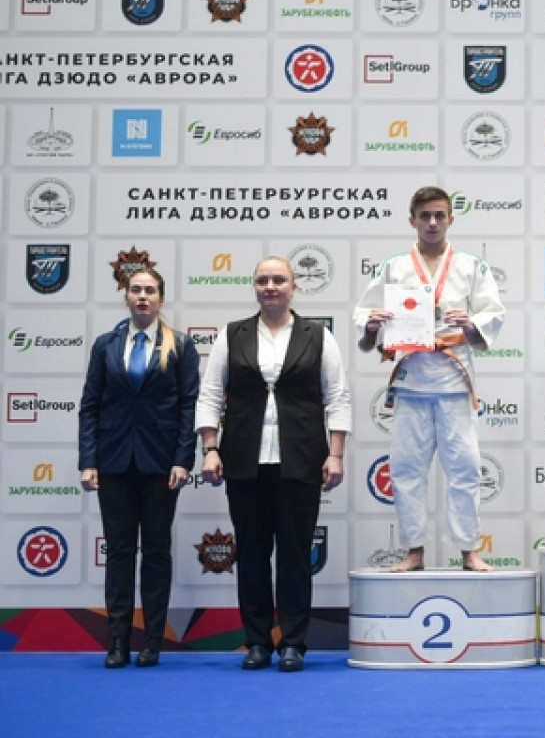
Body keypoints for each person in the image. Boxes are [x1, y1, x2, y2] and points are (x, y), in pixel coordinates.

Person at [195, 256, 351, 672]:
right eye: (263, 280)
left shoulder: (318, 336)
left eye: (279, 280)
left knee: (296, 557)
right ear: (254, 286)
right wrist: (210, 447)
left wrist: (335, 454)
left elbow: (337, 397)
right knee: (251, 555)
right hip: (244, 461)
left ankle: (294, 643)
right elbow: (210, 394)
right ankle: (258, 643)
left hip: (301, 461)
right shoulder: (233, 335)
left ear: (293, 286)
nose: (270, 286)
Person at [354, 185, 505, 573]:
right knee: (406, 470)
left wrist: (471, 323)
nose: (433, 222)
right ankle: (414, 550)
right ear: (413, 220)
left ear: (451, 219)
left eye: (440, 215)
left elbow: (493, 313)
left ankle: (468, 549)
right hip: (412, 380)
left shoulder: (471, 265)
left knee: (465, 469)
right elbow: (365, 316)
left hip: (454, 380)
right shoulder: (395, 267)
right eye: (425, 216)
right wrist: (372, 324)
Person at [79, 268, 200, 669]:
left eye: (150, 290)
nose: (142, 296)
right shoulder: (105, 345)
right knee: (119, 553)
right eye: (136, 290)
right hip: (114, 462)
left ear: (161, 298)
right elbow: (90, 406)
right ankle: (116, 642)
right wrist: (88, 461)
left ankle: (152, 642)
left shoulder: (180, 345)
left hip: (161, 464)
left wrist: (183, 459)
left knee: (156, 552)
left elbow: (189, 407)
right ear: (126, 297)